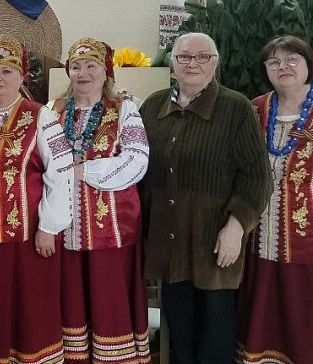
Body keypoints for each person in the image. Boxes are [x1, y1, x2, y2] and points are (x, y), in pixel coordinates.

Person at [138, 32, 271, 364]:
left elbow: (257, 177)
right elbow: (136, 166)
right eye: (184, 57)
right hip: (169, 242)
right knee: (180, 337)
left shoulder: (236, 107)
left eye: (202, 57)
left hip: (214, 242)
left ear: (215, 63)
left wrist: (235, 229)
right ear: (173, 64)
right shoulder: (152, 105)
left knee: (215, 336)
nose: (192, 64)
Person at [0, 34, 73, 364]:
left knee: (26, 309)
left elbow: (61, 172)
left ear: (22, 76)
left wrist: (49, 226)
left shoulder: (41, 116)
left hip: (25, 238)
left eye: (7, 71)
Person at [50, 38, 151, 362]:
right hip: (65, 227)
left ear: (106, 71)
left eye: (91, 66)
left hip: (112, 227)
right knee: (70, 299)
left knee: (109, 299)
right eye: (76, 66)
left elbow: (137, 159)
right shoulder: (53, 110)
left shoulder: (124, 109)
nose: (83, 73)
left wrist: (84, 170)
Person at [238, 35, 313, 364]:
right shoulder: (255, 108)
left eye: (292, 59)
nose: (283, 67)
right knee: (262, 297)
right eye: (274, 62)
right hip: (259, 230)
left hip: (307, 232)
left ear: (307, 64)